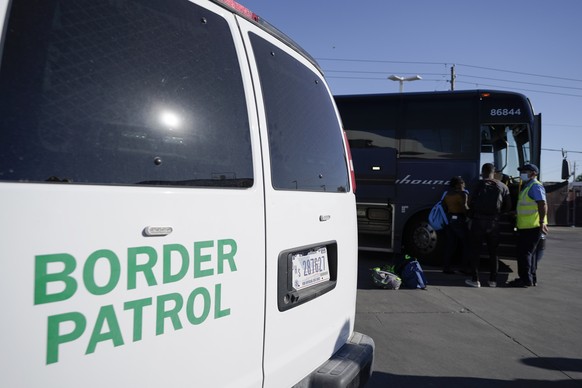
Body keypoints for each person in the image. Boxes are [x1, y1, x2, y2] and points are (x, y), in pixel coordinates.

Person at [465, 163, 512, 288]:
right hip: (494, 223)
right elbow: (508, 206)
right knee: (493, 252)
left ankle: (475, 280)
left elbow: (469, 202)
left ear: (482, 172)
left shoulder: (477, 184)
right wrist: (498, 213)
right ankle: (493, 281)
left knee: (475, 251)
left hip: (478, 222)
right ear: (494, 172)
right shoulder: (502, 186)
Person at [507, 163, 548, 287]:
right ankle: (531, 278)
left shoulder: (535, 186)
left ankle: (525, 280)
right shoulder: (528, 186)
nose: (522, 173)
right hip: (528, 226)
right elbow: (529, 206)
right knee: (530, 254)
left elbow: (542, 204)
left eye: (525, 171)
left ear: (533, 173)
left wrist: (541, 222)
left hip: (532, 226)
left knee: (524, 254)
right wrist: (516, 212)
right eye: (522, 171)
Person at [441, 176, 470, 274]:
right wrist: (468, 217)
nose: (464, 184)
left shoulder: (447, 194)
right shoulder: (463, 194)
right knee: (466, 244)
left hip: (449, 219)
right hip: (459, 220)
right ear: (458, 184)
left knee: (450, 244)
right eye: (462, 183)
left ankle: (446, 267)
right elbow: (465, 207)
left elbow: (444, 207)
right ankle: (464, 268)